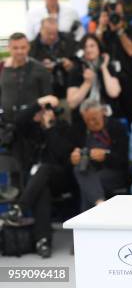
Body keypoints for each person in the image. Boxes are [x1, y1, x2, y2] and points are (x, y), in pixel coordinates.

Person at [1, 95, 72, 258]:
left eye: (45, 111)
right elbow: (19, 120)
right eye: (40, 111)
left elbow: (62, 155)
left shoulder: (62, 128)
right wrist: (38, 103)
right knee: (42, 190)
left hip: (58, 178)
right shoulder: (29, 129)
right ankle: (43, 241)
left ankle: (20, 208)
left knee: (45, 169)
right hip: (35, 183)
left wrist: (49, 129)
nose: (41, 114)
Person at [70, 99, 128, 211]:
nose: (91, 123)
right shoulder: (78, 130)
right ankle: (100, 204)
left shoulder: (116, 127)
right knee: (80, 170)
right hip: (88, 170)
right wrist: (74, 157)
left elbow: (124, 160)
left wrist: (106, 156)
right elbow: (68, 156)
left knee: (88, 182)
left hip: (113, 172)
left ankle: (92, 215)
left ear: (102, 112)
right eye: (87, 120)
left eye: (94, 119)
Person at [92, 0, 132, 122]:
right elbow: (93, 50)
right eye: (110, 13)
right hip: (107, 79)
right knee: (110, 117)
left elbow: (131, 51)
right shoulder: (103, 31)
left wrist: (120, 31)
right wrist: (101, 27)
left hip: (127, 78)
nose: (114, 16)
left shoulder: (130, 29)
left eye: (117, 12)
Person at [66, 34, 121, 123]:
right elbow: (72, 103)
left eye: (92, 46)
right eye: (85, 47)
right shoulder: (76, 70)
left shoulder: (108, 67)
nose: (88, 50)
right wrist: (87, 83)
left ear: (99, 47)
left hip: (106, 114)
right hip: (83, 117)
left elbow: (114, 93)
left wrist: (104, 68)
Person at [0, 33, 53, 122]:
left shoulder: (40, 69)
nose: (19, 51)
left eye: (23, 47)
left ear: (28, 47)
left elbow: (48, 96)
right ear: (9, 48)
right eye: (15, 48)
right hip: (6, 123)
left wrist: (43, 114)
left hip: (32, 122)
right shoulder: (2, 67)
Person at [28, 17, 78, 102]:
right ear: (41, 30)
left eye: (54, 33)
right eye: (48, 33)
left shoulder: (69, 42)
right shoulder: (31, 48)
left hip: (66, 92)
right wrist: (41, 68)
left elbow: (79, 61)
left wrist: (71, 65)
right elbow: (27, 70)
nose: (52, 37)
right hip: (41, 95)